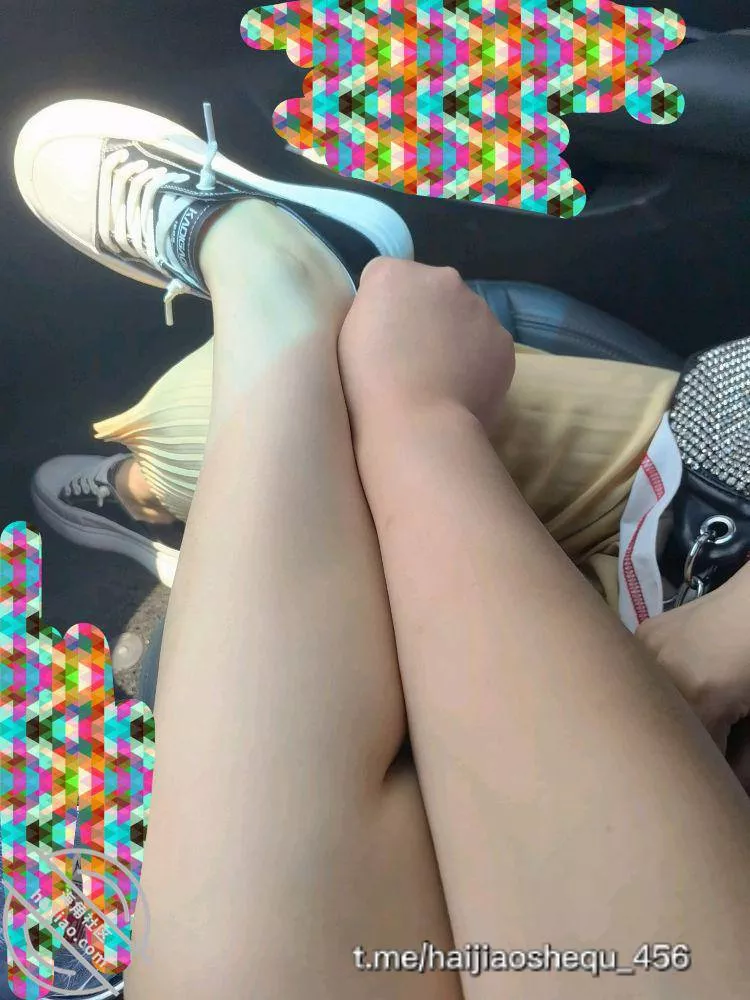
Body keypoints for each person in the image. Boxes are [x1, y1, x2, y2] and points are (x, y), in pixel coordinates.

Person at [14, 97, 750, 999]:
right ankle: (251, 321)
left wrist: (420, 414)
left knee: (236, 431)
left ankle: (269, 279)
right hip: (709, 536)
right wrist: (722, 645)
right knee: (260, 424)